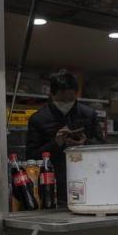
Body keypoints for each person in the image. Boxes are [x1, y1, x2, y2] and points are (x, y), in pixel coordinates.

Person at [26, 71, 104, 203]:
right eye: (62, 100)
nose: (67, 103)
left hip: (87, 178)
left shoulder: (88, 115)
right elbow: (31, 157)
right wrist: (56, 143)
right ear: (52, 94)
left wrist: (84, 144)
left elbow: (102, 146)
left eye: (71, 99)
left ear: (76, 94)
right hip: (54, 183)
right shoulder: (38, 119)